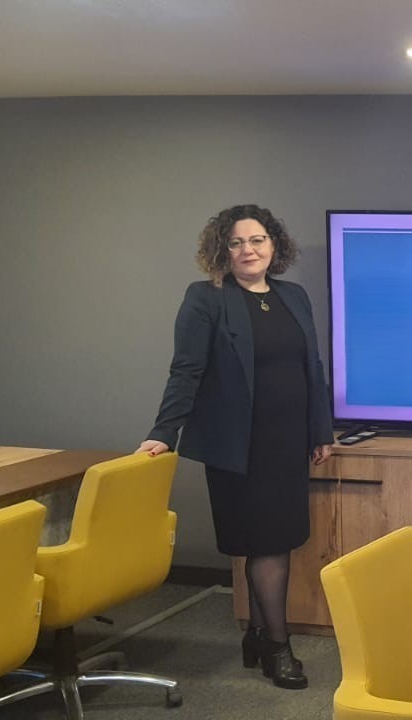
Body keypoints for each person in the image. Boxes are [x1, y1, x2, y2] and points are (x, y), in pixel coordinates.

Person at [137, 204, 333, 690]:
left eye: (258, 240)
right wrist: (164, 432)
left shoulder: (294, 296)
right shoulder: (206, 299)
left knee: (276, 540)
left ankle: (259, 635)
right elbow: (186, 370)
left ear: (275, 246)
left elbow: (313, 368)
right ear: (222, 250)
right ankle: (277, 648)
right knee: (265, 544)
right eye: (237, 242)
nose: (249, 250)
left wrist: (320, 430)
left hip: (288, 442)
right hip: (239, 447)